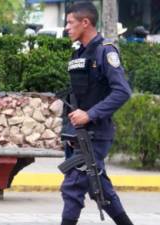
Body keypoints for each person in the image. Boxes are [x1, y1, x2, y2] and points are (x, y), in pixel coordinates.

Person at [61, 2, 133, 225]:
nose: (66, 28)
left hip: (95, 132)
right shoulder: (79, 53)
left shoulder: (105, 50)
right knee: (100, 188)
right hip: (77, 133)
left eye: (70, 22)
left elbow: (122, 91)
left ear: (86, 22)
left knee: (72, 187)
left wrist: (90, 114)